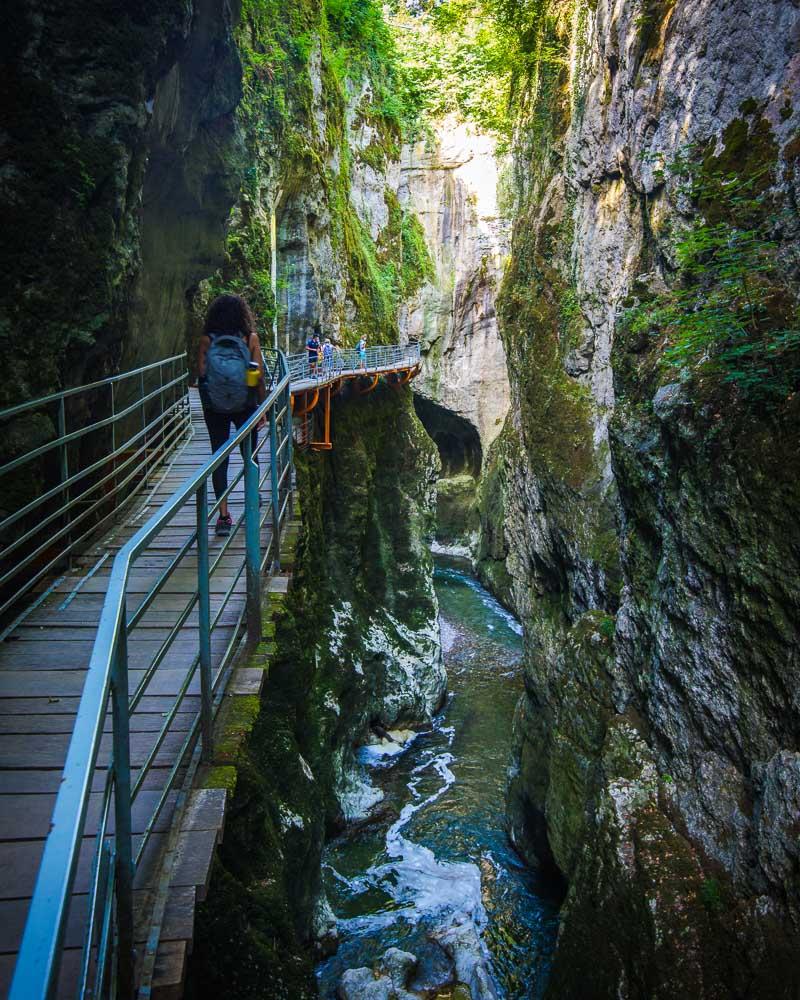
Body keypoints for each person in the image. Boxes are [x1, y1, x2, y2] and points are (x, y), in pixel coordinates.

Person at [197, 294, 266, 536]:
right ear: (242, 314)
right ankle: (252, 498)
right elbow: (257, 375)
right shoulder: (250, 339)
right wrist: (262, 405)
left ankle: (223, 517)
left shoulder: (207, 340)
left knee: (219, 457)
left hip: (214, 407)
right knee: (250, 455)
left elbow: (202, 375)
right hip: (245, 405)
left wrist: (211, 402)